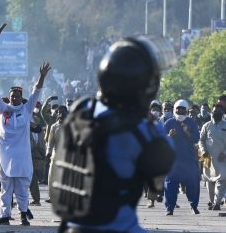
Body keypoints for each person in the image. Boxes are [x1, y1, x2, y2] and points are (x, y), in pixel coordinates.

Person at [51, 36, 176, 232]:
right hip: (118, 227)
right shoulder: (145, 130)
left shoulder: (81, 111)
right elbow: (159, 176)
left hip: (72, 226)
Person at [0, 61, 51, 226]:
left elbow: (36, 92)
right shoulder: (3, 109)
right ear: (10, 96)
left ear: (21, 97)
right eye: (12, 95)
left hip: (22, 157)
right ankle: (5, 216)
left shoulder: (26, 109)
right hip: (5, 157)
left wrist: (42, 76)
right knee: (5, 189)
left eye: (17, 96)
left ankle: (23, 215)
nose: (14, 97)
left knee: (21, 189)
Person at [164, 99, 200, 215]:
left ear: (186, 111)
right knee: (170, 185)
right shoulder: (169, 122)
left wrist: (187, 132)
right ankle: (170, 208)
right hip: (172, 160)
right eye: (178, 109)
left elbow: (196, 139)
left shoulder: (191, 122)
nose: (180, 111)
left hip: (188, 159)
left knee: (192, 183)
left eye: (183, 109)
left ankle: (193, 206)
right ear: (175, 110)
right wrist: (169, 136)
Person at [198, 103, 226, 210]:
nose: (216, 113)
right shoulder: (206, 125)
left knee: (222, 179)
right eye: (214, 111)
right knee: (209, 179)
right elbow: (201, 140)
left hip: (222, 157)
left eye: (218, 111)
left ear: (222, 113)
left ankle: (217, 203)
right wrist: (203, 151)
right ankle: (212, 201)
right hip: (207, 157)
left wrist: (224, 153)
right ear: (212, 112)